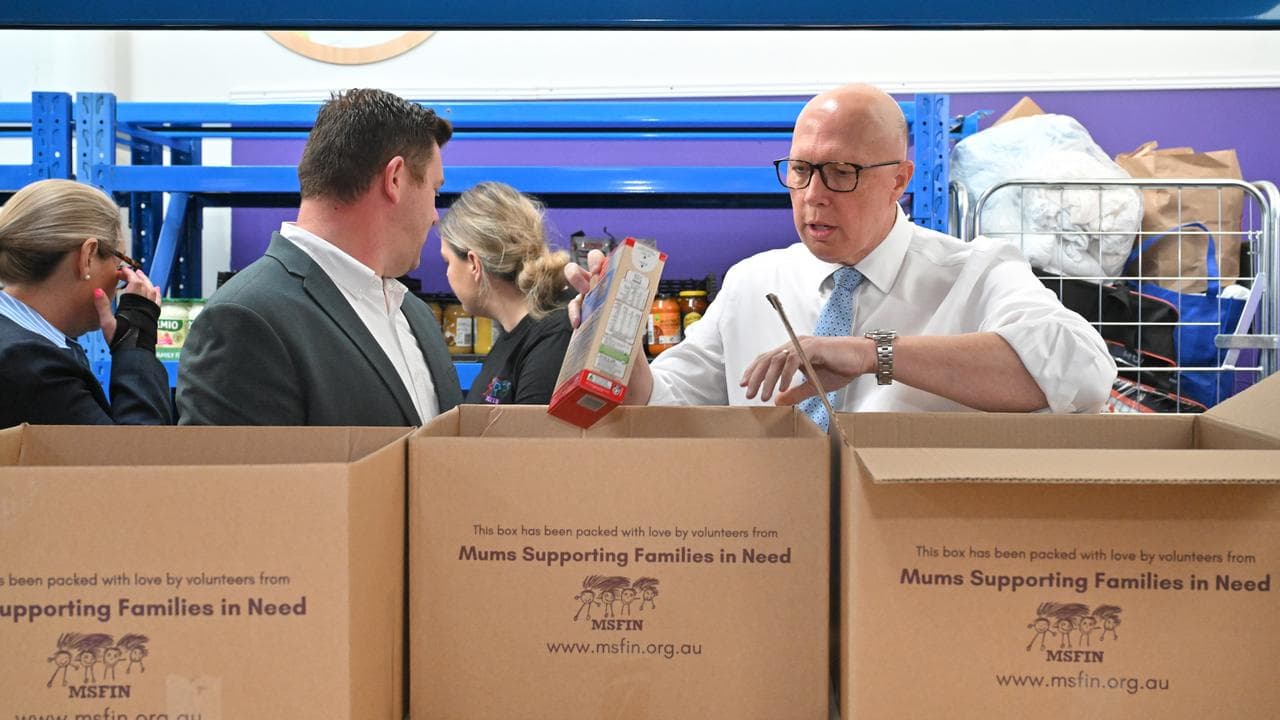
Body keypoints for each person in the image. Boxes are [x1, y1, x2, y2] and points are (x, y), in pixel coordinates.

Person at [567, 84, 1115, 423]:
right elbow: (663, 404)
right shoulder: (752, 283)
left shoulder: (976, 272)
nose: (813, 195)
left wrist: (874, 354)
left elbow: (1082, 373)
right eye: (802, 170)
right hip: (771, 551)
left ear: (900, 180)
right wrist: (617, 348)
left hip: (905, 560)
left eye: (842, 172)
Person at [177, 88, 462, 425]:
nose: (435, 215)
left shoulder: (413, 313)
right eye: (435, 190)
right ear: (395, 178)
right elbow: (235, 477)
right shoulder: (246, 320)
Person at [0, 178, 170, 427]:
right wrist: (136, 343)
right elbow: (137, 459)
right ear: (87, 257)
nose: (120, 277)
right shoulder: (29, 364)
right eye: (119, 262)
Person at [438, 182, 573, 405]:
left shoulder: (554, 337)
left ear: (474, 264)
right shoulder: (514, 335)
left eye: (448, 261)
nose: (448, 274)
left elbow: (533, 439)